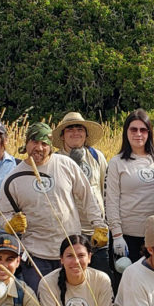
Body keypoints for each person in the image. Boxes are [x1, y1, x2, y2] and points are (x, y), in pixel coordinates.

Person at [0, 122, 107, 292]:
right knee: (41, 303)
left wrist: (99, 225)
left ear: (50, 146)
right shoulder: (13, 178)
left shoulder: (66, 164)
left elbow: (88, 197)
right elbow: (3, 213)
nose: (39, 148)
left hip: (70, 251)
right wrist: (9, 224)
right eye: (34, 142)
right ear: (26, 144)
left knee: (72, 299)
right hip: (36, 256)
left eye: (44, 143)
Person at [105, 109, 154, 288]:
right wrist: (117, 234)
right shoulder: (117, 162)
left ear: (149, 133)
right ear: (126, 132)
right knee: (128, 287)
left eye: (143, 129)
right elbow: (111, 200)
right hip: (127, 237)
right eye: (133, 129)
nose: (138, 134)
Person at [52, 112, 110, 274]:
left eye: (80, 129)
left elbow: (105, 189)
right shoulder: (54, 160)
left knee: (101, 276)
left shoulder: (96, 156)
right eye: (70, 129)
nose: (75, 132)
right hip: (67, 232)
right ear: (63, 135)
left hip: (95, 232)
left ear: (86, 134)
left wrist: (105, 223)